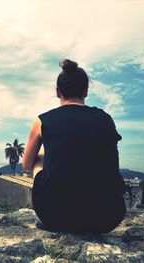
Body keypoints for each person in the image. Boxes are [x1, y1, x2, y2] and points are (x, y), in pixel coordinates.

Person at [22, 59, 126, 234]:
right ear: (85, 91)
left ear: (57, 92)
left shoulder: (43, 121)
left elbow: (26, 165)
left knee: (39, 157)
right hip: (108, 217)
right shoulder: (105, 119)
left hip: (55, 216)